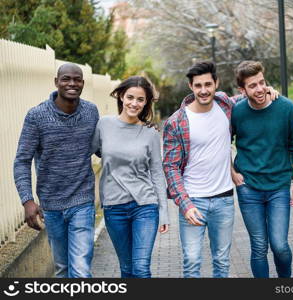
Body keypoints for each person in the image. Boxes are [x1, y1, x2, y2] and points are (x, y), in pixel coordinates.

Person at [163, 61, 277, 278]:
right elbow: (170, 167)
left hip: (224, 199)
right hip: (193, 200)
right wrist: (184, 204)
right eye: (198, 86)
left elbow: (247, 96)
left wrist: (267, 89)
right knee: (192, 261)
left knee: (222, 262)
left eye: (208, 84)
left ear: (216, 83)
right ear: (191, 86)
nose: (204, 90)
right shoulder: (176, 122)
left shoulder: (225, 105)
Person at [13, 63, 99, 278]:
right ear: (56, 82)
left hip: (82, 201)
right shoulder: (37, 116)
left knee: (80, 271)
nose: (72, 83)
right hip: (51, 206)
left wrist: (138, 132)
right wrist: (27, 200)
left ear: (82, 83)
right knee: (62, 270)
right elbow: (22, 160)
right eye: (66, 79)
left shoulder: (91, 112)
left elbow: (102, 148)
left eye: (77, 79)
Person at [231, 61, 293, 278]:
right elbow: (222, 141)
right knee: (258, 247)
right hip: (249, 188)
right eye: (252, 85)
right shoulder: (237, 112)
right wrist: (232, 173)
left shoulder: (287, 109)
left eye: (262, 82)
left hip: (279, 187)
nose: (260, 89)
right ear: (242, 91)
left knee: (280, 246)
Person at [91, 76, 169, 278]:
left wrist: (164, 211)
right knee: (126, 270)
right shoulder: (104, 125)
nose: (134, 103)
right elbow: (92, 152)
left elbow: (157, 172)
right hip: (114, 207)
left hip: (144, 206)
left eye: (140, 99)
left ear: (146, 103)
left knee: (141, 268)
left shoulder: (150, 133)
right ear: (121, 97)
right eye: (130, 97)